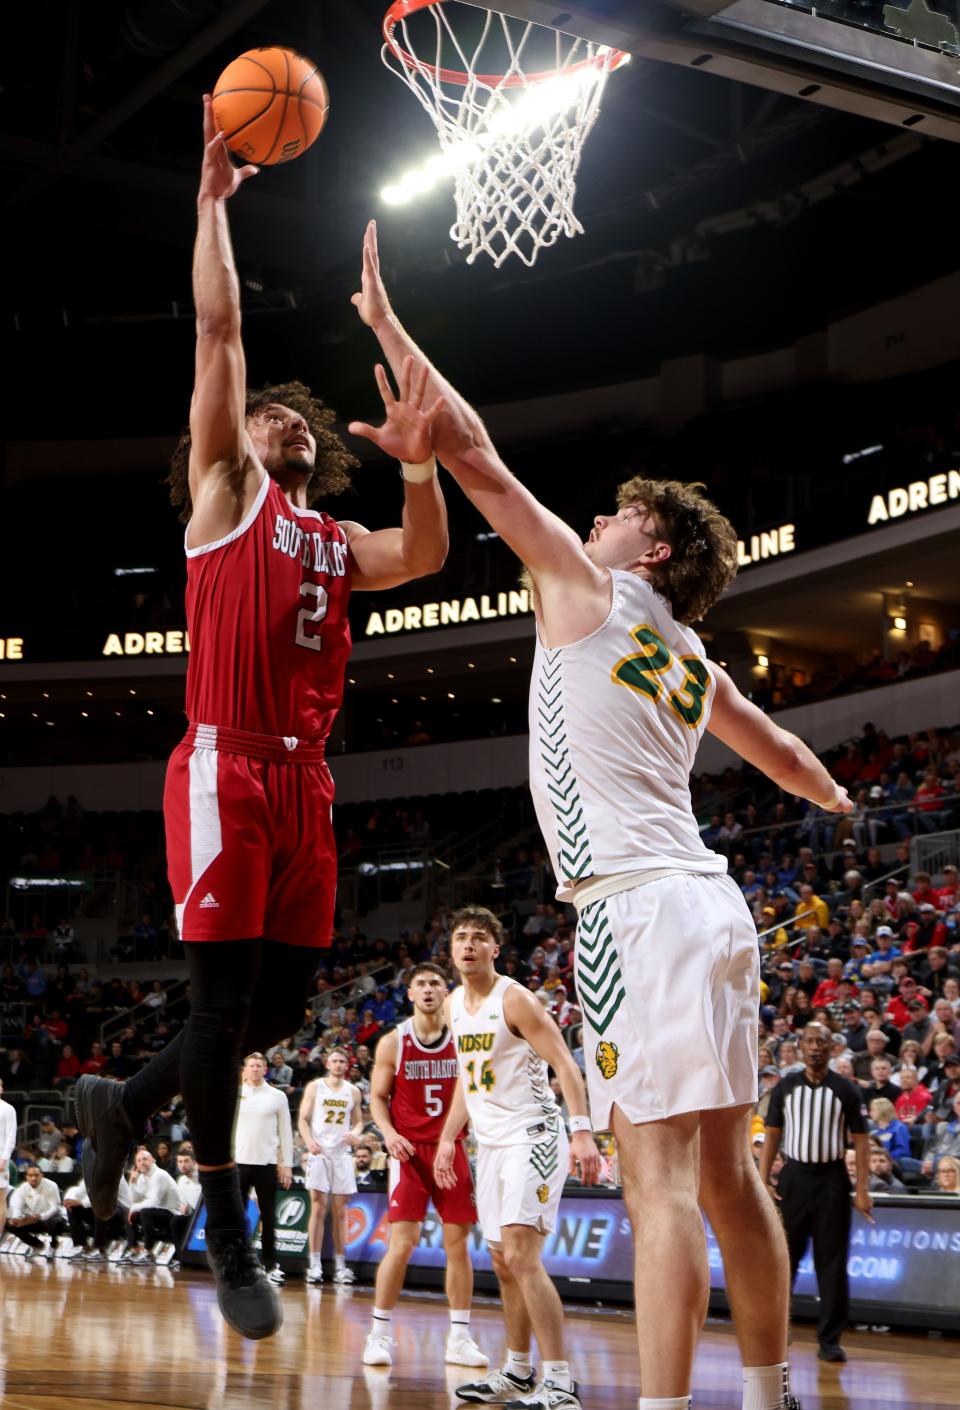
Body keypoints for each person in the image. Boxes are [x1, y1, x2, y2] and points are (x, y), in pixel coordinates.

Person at [350, 220, 855, 1410]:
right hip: (712, 903)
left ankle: (669, 1406)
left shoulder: (587, 589)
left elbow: (476, 454)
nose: (599, 517)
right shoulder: (694, 655)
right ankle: (770, 1391)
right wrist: (838, 799)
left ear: (654, 545)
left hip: (633, 910)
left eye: (623, 511)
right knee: (733, 1178)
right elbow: (782, 753)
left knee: (662, 1184)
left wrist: (390, 330)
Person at [72, 100, 448, 1342]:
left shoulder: (337, 540)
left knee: (281, 1013)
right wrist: (212, 204)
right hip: (224, 764)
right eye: (267, 411)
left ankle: (121, 1102)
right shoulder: (226, 493)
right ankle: (225, 1233)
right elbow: (221, 326)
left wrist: (419, 454)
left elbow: (430, 551)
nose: (282, 416)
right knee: (223, 1011)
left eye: (297, 417)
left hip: (309, 784)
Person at [435, 906, 600, 1410]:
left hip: (534, 1133)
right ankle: (518, 1371)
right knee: (503, 1263)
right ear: (451, 951)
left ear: (495, 949)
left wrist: (582, 1132)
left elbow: (565, 1065)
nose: (468, 945)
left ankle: (561, 1382)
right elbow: (470, 1077)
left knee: (523, 1256)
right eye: (460, 937)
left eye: (478, 938)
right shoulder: (452, 1005)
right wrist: (448, 1137)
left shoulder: (517, 999)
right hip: (491, 1142)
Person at [364, 962, 487, 1370]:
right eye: (421, 983)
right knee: (401, 1244)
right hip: (410, 1154)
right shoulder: (393, 1042)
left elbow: (473, 1090)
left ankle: (460, 1338)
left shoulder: (464, 1038)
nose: (429, 989)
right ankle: (378, 1335)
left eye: (436, 982)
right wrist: (388, 1133)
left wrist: (455, 1139)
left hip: (452, 1149)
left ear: (445, 991)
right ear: (410, 994)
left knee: (458, 1247)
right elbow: (377, 1098)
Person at [760, 1024, 874, 1365]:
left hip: (832, 1181)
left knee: (832, 1263)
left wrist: (863, 1189)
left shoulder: (846, 1090)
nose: (815, 1047)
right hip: (794, 1178)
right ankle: (778, 1331)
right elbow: (771, 1135)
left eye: (821, 1042)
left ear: (831, 1048)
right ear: (799, 1045)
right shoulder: (786, 1087)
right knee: (785, 1260)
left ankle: (830, 1340)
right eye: (809, 1041)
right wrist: (763, 1180)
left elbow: (863, 1141)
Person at [298, 1048, 363, 1285]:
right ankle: (314, 1265)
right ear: (327, 1063)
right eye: (334, 1061)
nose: (338, 1064)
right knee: (318, 1207)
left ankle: (340, 1266)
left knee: (341, 1213)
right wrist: (309, 1142)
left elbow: (358, 1123)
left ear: (347, 1065)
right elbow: (303, 1119)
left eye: (342, 1061)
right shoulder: (315, 1087)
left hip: (342, 1155)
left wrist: (355, 1134)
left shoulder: (353, 1091)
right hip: (320, 1153)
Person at [235, 1051, 294, 1285]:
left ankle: (270, 1265)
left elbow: (286, 1132)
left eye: (260, 1065)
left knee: (268, 1216)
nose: (256, 1069)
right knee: (237, 1218)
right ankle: (238, 1263)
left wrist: (286, 1164)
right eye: (252, 1065)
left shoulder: (277, 1096)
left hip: (267, 1164)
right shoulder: (235, 1093)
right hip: (239, 1162)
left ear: (266, 1069)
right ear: (245, 1070)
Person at [123, 1147, 182, 1263]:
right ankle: (133, 1249)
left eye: (145, 1159)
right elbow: (133, 1200)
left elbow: (153, 1202)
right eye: (138, 1161)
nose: (141, 1163)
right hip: (156, 1212)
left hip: (172, 1212)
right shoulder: (142, 1177)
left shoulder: (159, 1175)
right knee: (130, 1211)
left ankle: (148, 1251)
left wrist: (134, 1208)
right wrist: (132, 1183)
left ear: (153, 1161)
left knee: (145, 1212)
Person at [5, 1164, 67, 1257]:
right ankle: (37, 1245)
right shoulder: (22, 1189)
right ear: (26, 1177)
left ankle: (54, 1245)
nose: (33, 1178)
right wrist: (16, 1219)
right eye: (30, 1175)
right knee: (10, 1224)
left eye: (36, 1175)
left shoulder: (51, 1185)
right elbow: (17, 1208)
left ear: (42, 1175)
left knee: (55, 1222)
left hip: (50, 1217)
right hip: (33, 1219)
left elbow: (55, 1208)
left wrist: (40, 1216)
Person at [0, 1078, 16, 1232]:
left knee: (0, 1199)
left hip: (0, 1158)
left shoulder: (8, 1109)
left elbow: (11, 1137)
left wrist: (4, 1159)